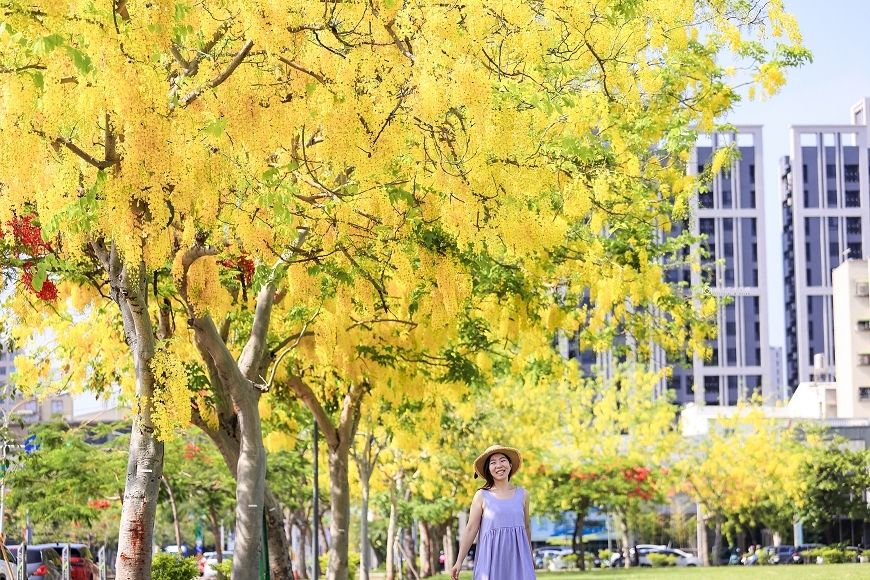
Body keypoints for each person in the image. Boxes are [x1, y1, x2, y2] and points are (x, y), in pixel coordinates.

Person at [451, 445, 536, 580]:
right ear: (488, 469)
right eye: (493, 462)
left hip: (519, 558)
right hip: (491, 558)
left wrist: (529, 556)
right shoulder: (482, 495)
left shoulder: (523, 494)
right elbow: (471, 529)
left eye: (502, 460)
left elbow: (526, 527)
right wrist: (459, 561)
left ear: (510, 464)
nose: (498, 465)